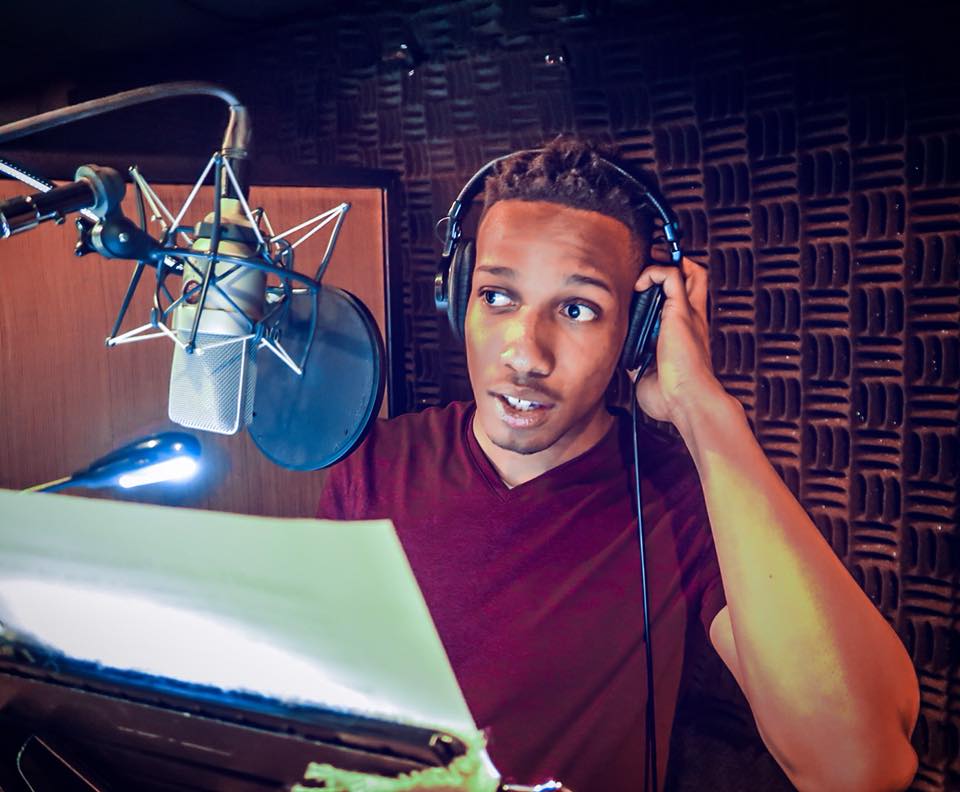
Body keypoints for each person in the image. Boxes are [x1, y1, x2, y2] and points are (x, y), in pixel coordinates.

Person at [317, 138, 919, 791]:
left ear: (637, 330)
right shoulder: (375, 463)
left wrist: (701, 409)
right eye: (496, 296)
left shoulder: (681, 495)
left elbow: (858, 767)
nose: (525, 354)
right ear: (459, 295)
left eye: (577, 309)